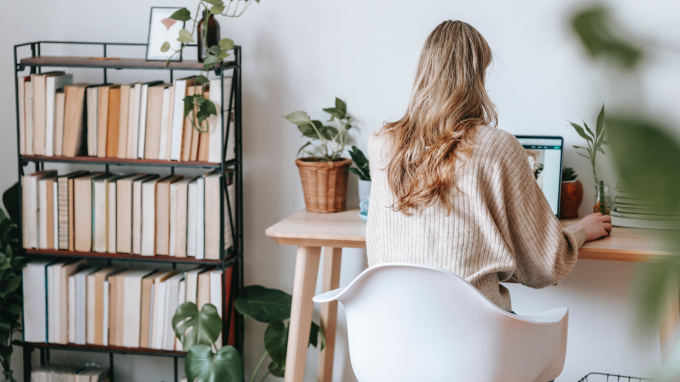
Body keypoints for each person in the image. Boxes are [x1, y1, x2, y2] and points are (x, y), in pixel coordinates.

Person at [366, 20, 612, 312]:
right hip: (476, 343)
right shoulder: (498, 147)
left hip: (392, 338)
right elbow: (546, 265)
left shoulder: (382, 145)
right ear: (476, 76)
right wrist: (580, 231)